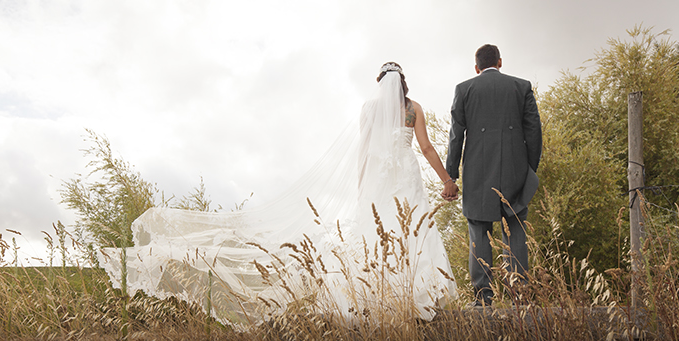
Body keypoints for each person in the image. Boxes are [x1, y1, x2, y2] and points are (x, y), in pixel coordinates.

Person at [98, 63, 456, 329]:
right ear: (404, 83)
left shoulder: (369, 109)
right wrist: (447, 181)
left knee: (375, 235)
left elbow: (363, 151)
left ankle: (380, 299)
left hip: (379, 180)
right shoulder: (414, 109)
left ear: (380, 84)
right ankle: (415, 298)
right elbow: (425, 147)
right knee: (414, 231)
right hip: (405, 177)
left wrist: (362, 186)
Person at [444, 44, 543, 307]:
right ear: (500, 62)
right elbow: (534, 130)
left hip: (477, 170)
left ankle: (482, 298)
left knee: (478, 230)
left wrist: (450, 176)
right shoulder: (521, 87)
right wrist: (528, 169)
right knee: (516, 230)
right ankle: (520, 296)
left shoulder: (464, 89)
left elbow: (456, 136)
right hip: (515, 169)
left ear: (476, 68)